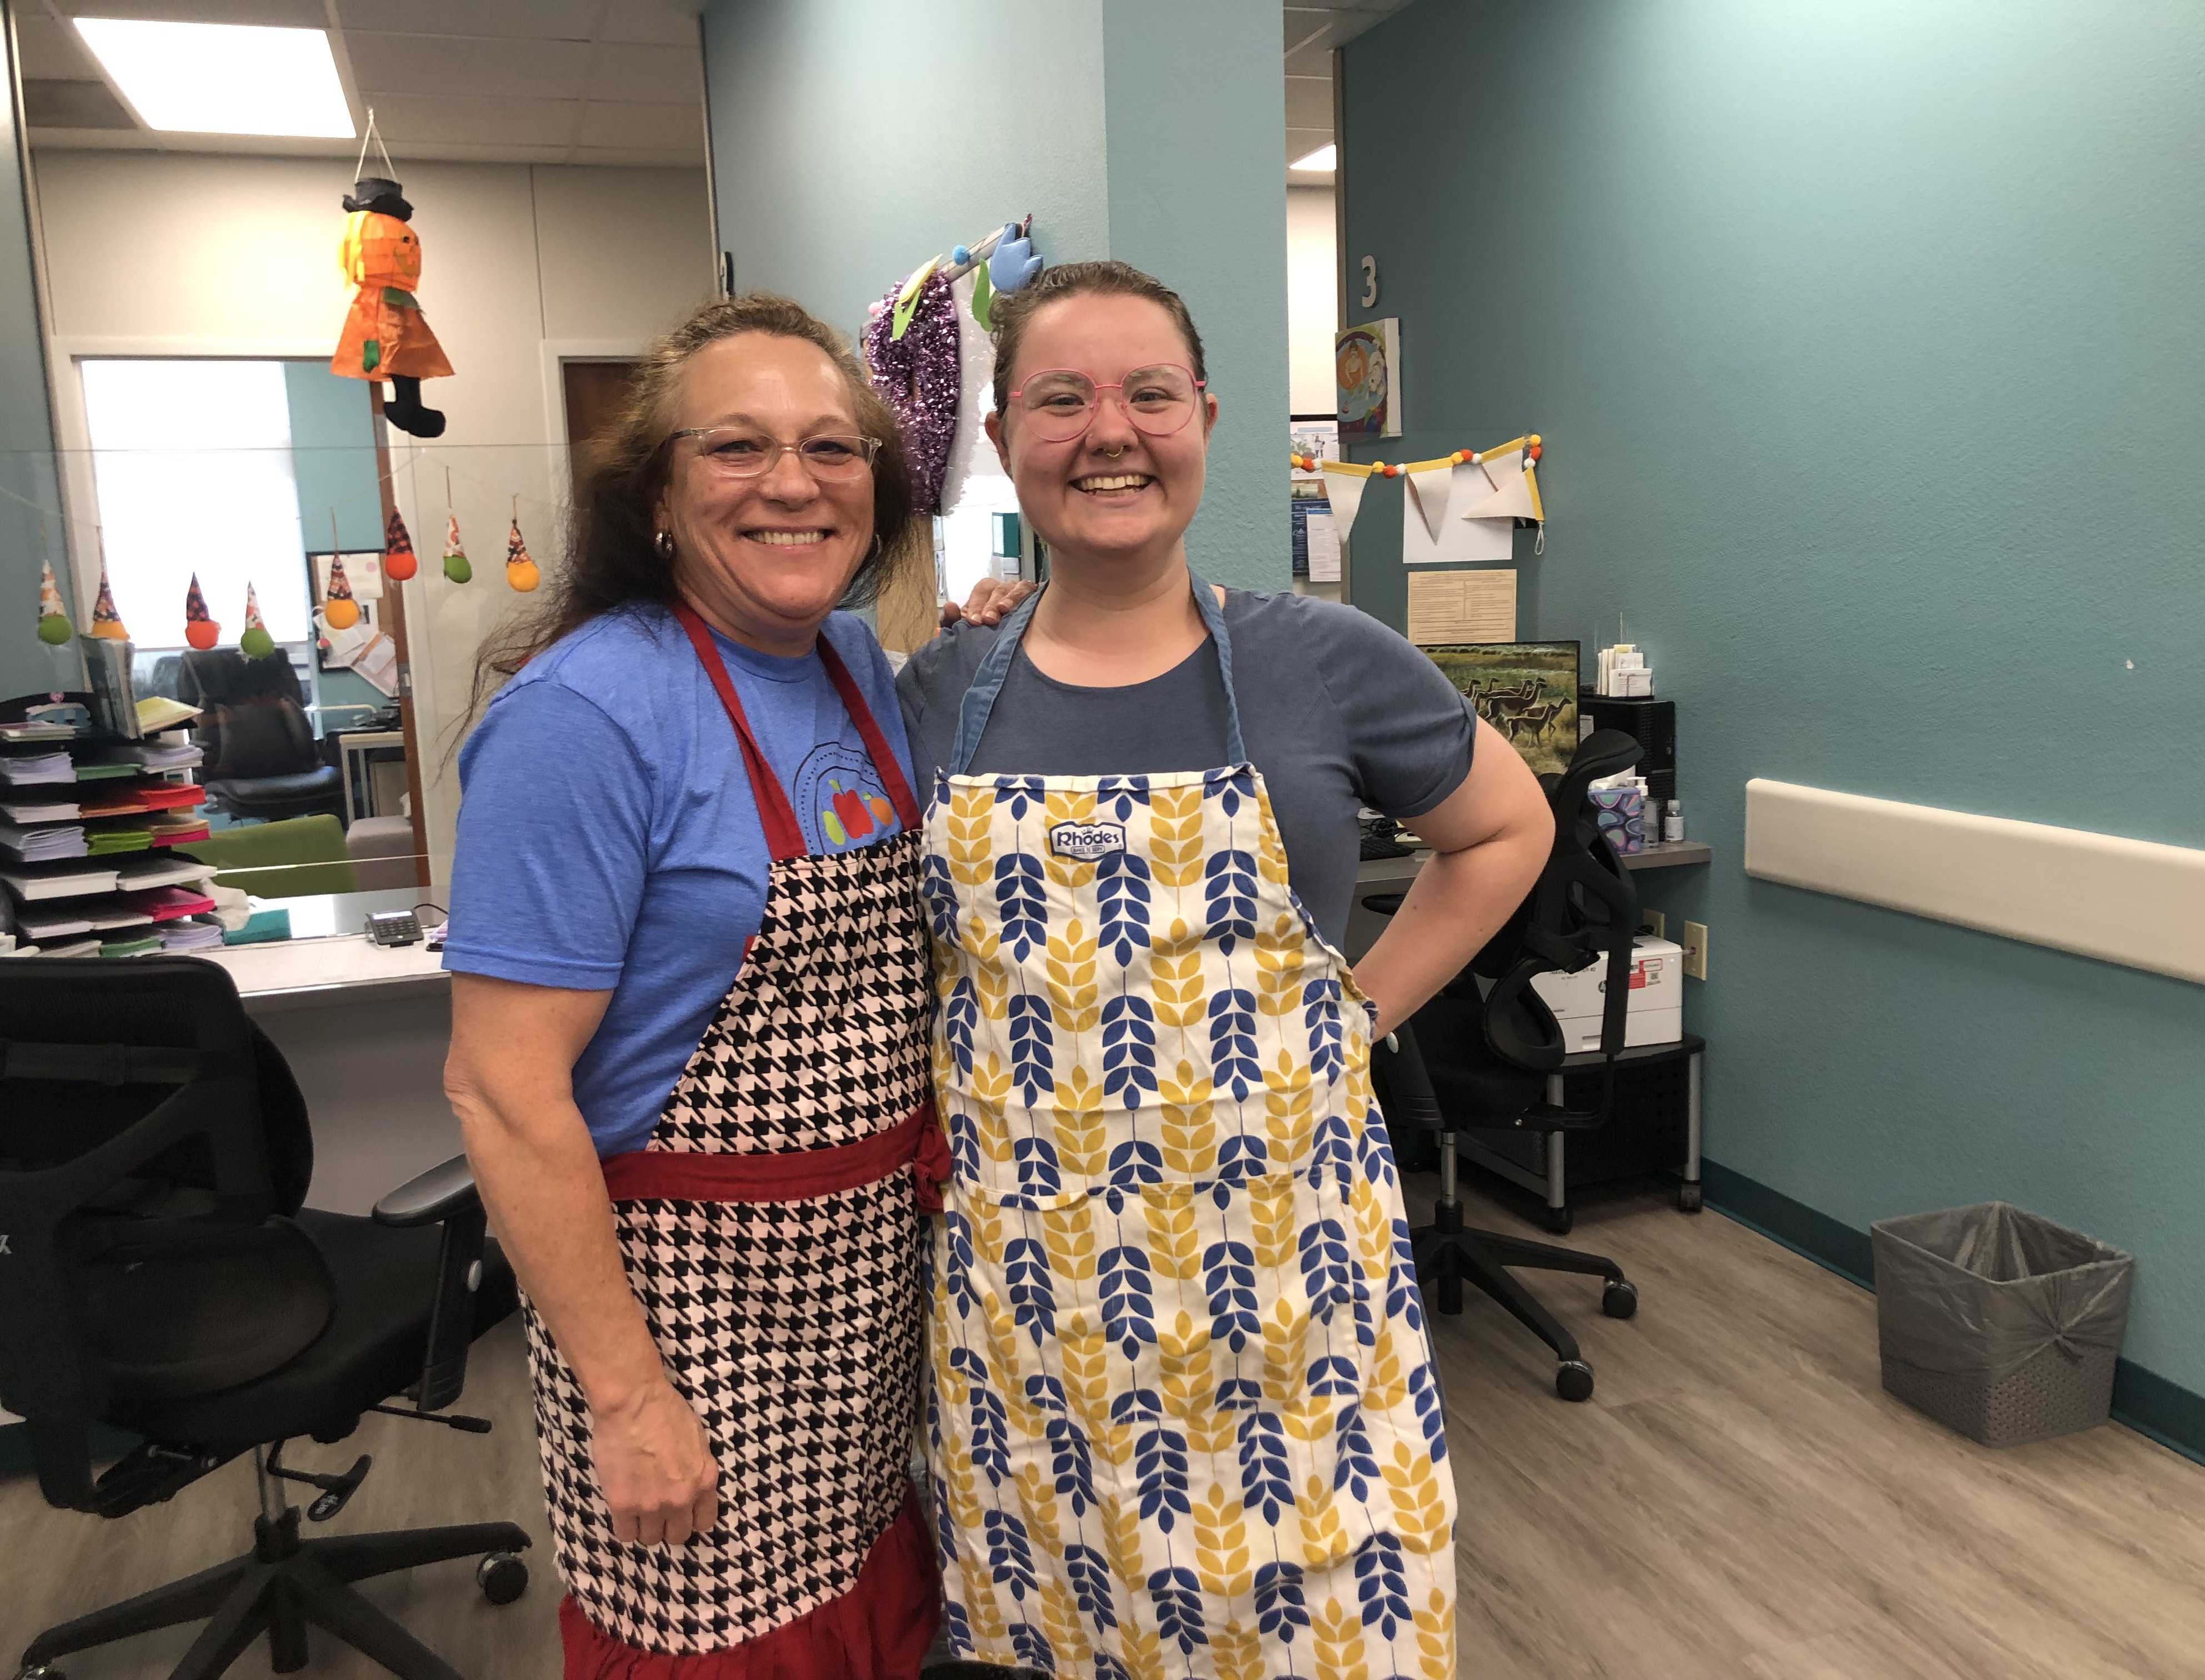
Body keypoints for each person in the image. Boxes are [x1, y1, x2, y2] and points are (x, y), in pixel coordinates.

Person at [895, 262, 1555, 1680]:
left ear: (1206, 417)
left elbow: (1509, 829)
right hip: (1039, 1334)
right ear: (1003, 438)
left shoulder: (1323, 660)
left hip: (1294, 1318)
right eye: (1061, 399)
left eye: (1150, 393)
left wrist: (1358, 1012)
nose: (1109, 431)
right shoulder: (940, 691)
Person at [443, 293, 1022, 1678]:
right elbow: (502, 1093)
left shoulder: (855, 670)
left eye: (831, 448)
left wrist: (1000, 624)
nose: (792, 482)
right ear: (655, 497)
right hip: (689, 1317)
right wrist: (627, 1401)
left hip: (868, 1299)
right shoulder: (584, 717)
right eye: (738, 446)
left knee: (877, 1624)